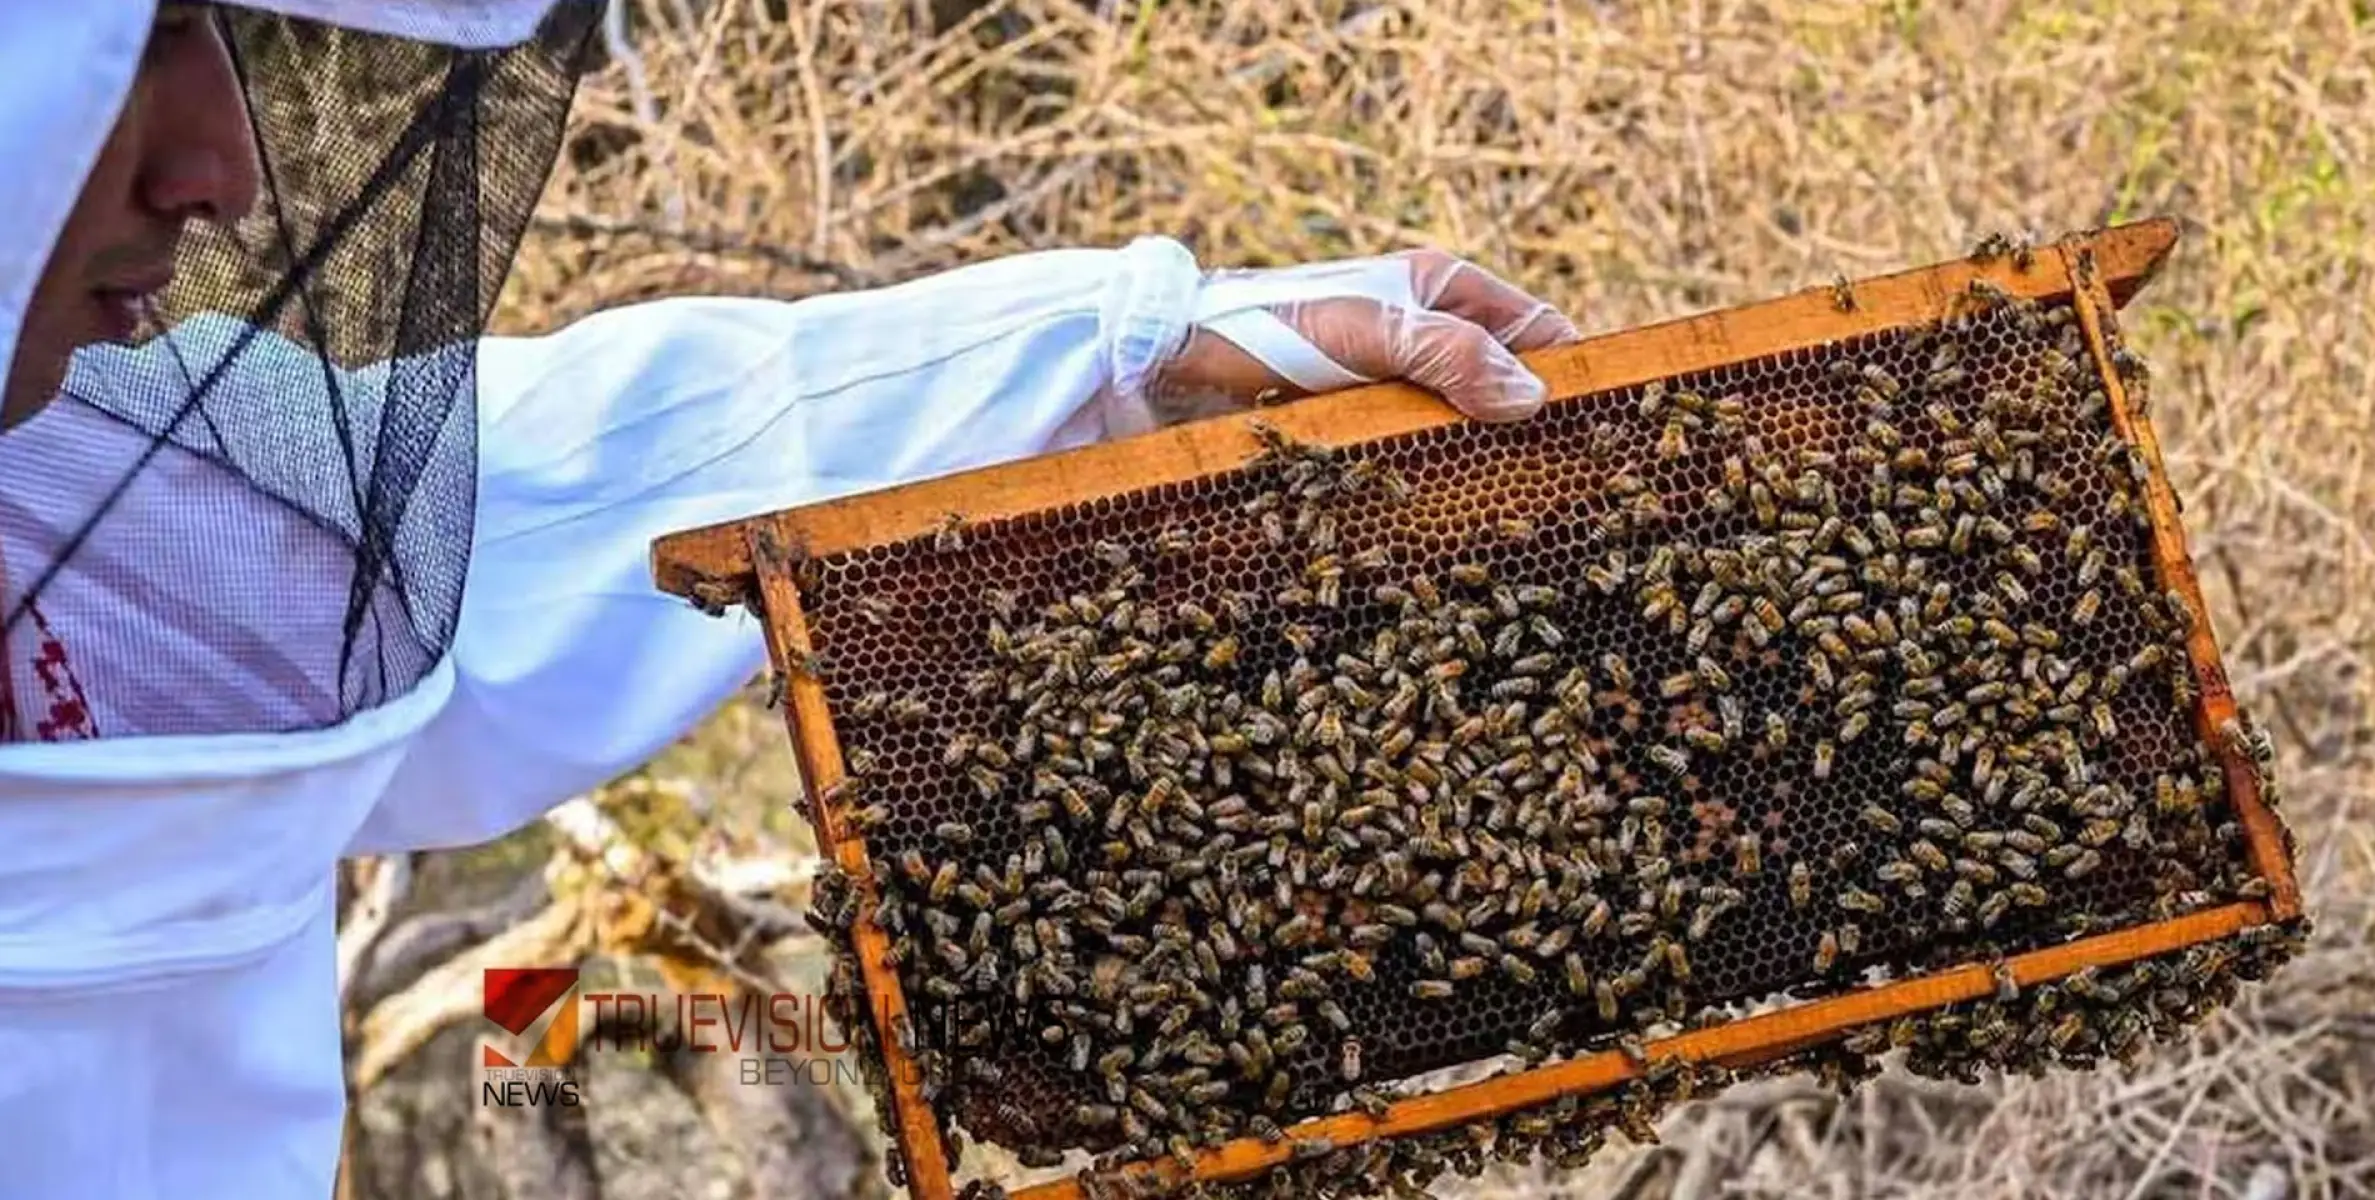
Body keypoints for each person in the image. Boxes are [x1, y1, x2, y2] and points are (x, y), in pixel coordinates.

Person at [0, 1, 1579, 1196]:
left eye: (211, 26)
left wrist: (1120, 354)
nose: (223, 166)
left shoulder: (113, 496)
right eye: (130, 36)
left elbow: (535, 488)